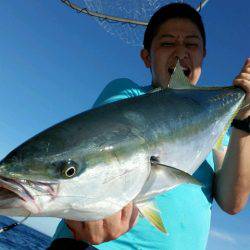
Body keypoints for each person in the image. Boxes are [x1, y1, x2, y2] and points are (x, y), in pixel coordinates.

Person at [52, 3, 250, 249]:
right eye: (167, 43)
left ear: (203, 55)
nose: (180, 53)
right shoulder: (128, 95)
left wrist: (244, 118)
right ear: (147, 57)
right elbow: (98, 145)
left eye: (191, 44)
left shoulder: (217, 131)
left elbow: (232, 203)